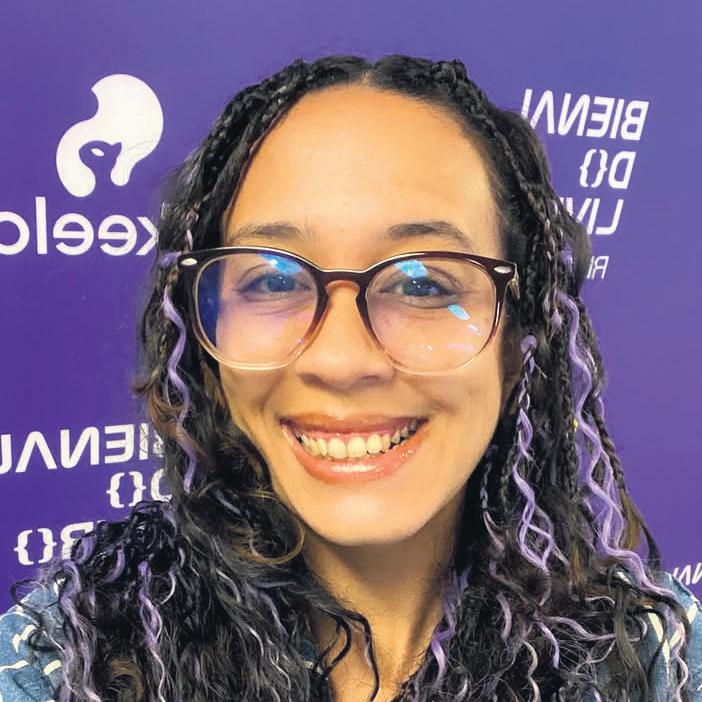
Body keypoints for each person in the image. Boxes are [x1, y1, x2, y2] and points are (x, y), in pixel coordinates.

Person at [1, 53, 700, 702]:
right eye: (272, 279)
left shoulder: (655, 659)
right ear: (203, 342)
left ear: (518, 344)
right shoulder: (73, 652)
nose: (340, 360)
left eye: (423, 284)